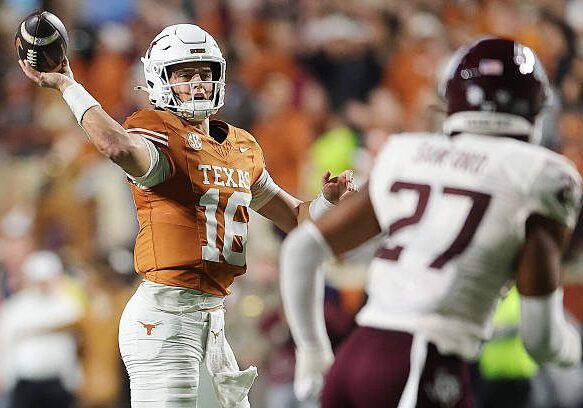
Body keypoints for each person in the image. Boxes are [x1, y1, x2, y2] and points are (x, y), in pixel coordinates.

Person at [19, 24, 353, 407]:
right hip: (164, 318)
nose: (198, 83)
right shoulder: (157, 130)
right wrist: (68, 86)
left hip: (213, 319)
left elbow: (296, 218)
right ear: (160, 80)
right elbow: (116, 145)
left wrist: (327, 202)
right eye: (185, 74)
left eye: (205, 73)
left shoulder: (241, 146)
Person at [279, 37, 583, 408]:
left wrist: (312, 350)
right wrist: (572, 348)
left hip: (355, 358)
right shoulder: (542, 175)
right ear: (534, 105)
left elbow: (300, 248)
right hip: (423, 360)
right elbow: (541, 339)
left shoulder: (406, 152)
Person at [0, 251, 83, 408]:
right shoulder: (16, 307)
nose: (43, 285)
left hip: (57, 383)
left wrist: (74, 377)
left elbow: (75, 344)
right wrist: (5, 374)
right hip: (25, 384)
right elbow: (6, 342)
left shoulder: (68, 305)